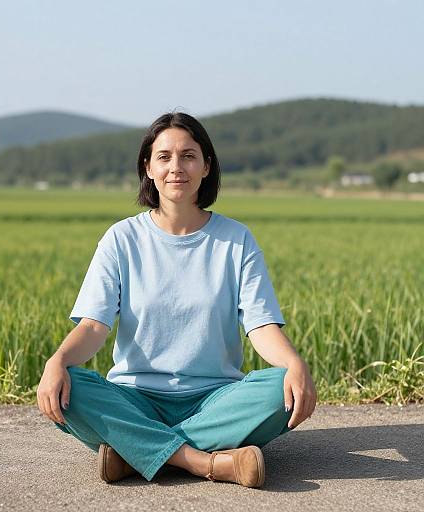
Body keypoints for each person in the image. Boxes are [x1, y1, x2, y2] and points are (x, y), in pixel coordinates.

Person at [37, 111, 317, 488]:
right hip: (134, 398)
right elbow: (92, 325)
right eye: (164, 157)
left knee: (278, 390)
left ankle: (135, 452)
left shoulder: (236, 240)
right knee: (69, 386)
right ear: (148, 168)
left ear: (206, 166)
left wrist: (294, 363)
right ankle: (208, 462)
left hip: (215, 399)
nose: (176, 167)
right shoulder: (121, 240)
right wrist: (57, 360)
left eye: (188, 155)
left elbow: (261, 325)